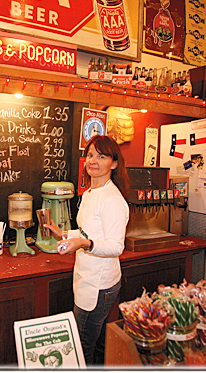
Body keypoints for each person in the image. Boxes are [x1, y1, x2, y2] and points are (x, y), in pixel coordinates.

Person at [44, 135, 130, 366]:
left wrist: (84, 244)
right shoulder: (91, 192)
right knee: (97, 343)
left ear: (114, 163)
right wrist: (62, 234)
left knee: (82, 347)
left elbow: (115, 246)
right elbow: (86, 231)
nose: (93, 160)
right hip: (88, 278)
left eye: (101, 156)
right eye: (90, 155)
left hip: (99, 285)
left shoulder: (112, 200)